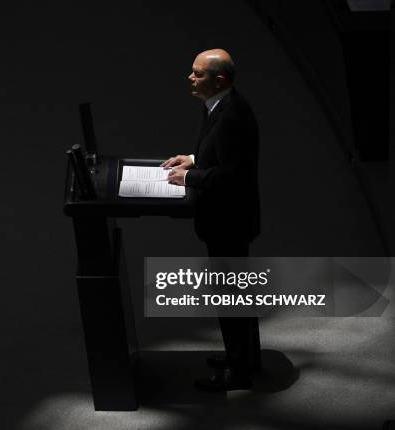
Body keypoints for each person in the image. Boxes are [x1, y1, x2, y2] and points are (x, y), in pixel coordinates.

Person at [162, 49, 261, 391]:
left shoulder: (231, 115)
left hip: (228, 222)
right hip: (229, 219)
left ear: (218, 80)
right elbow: (221, 151)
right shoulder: (220, 105)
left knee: (231, 298)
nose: (190, 78)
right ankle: (245, 359)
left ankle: (240, 373)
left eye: (198, 74)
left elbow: (230, 176)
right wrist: (192, 158)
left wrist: (188, 178)